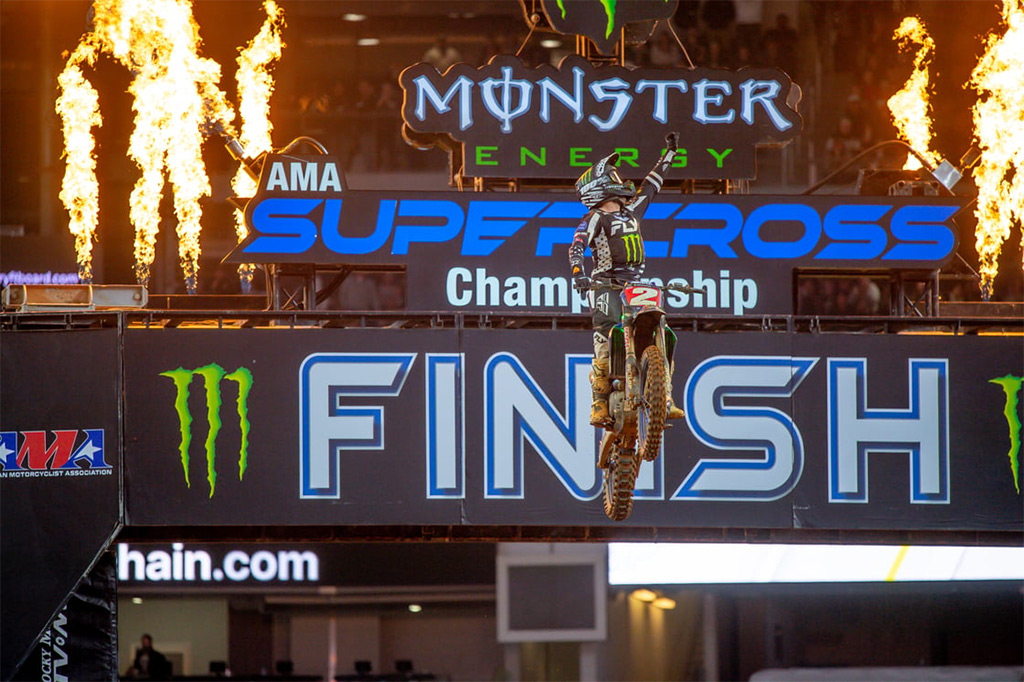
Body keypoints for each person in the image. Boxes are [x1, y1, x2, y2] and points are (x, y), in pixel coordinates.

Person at [568, 135, 686, 427]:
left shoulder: (631, 211)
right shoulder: (594, 217)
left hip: (636, 284)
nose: (620, 181)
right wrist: (578, 273)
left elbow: (652, 185)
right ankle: (598, 403)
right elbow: (576, 245)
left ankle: (664, 397)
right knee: (605, 339)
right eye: (613, 176)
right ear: (597, 186)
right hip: (605, 283)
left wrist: (669, 153)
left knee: (661, 328)